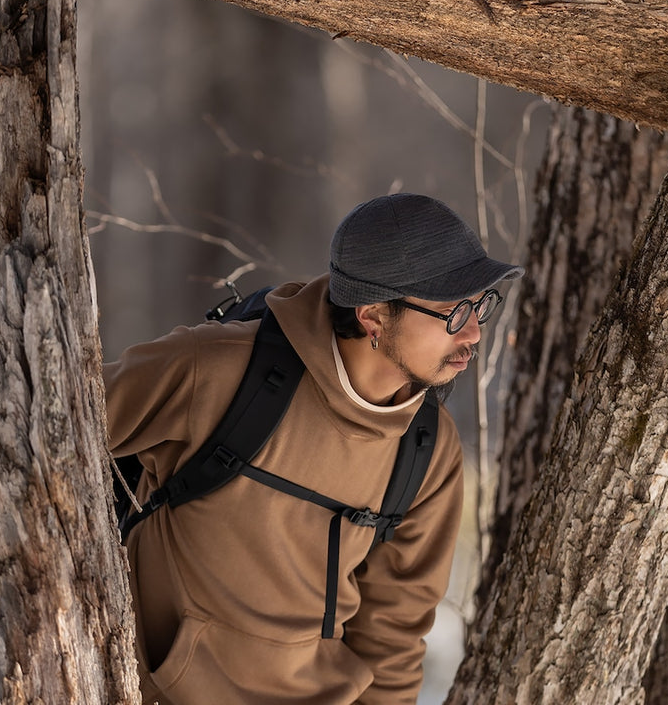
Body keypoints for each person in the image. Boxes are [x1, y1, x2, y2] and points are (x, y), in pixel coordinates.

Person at [105, 192, 524, 705]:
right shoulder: (215, 372)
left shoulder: (429, 450)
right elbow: (56, 423)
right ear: (372, 315)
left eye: (481, 304)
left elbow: (392, 636)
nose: (475, 331)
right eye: (453, 311)